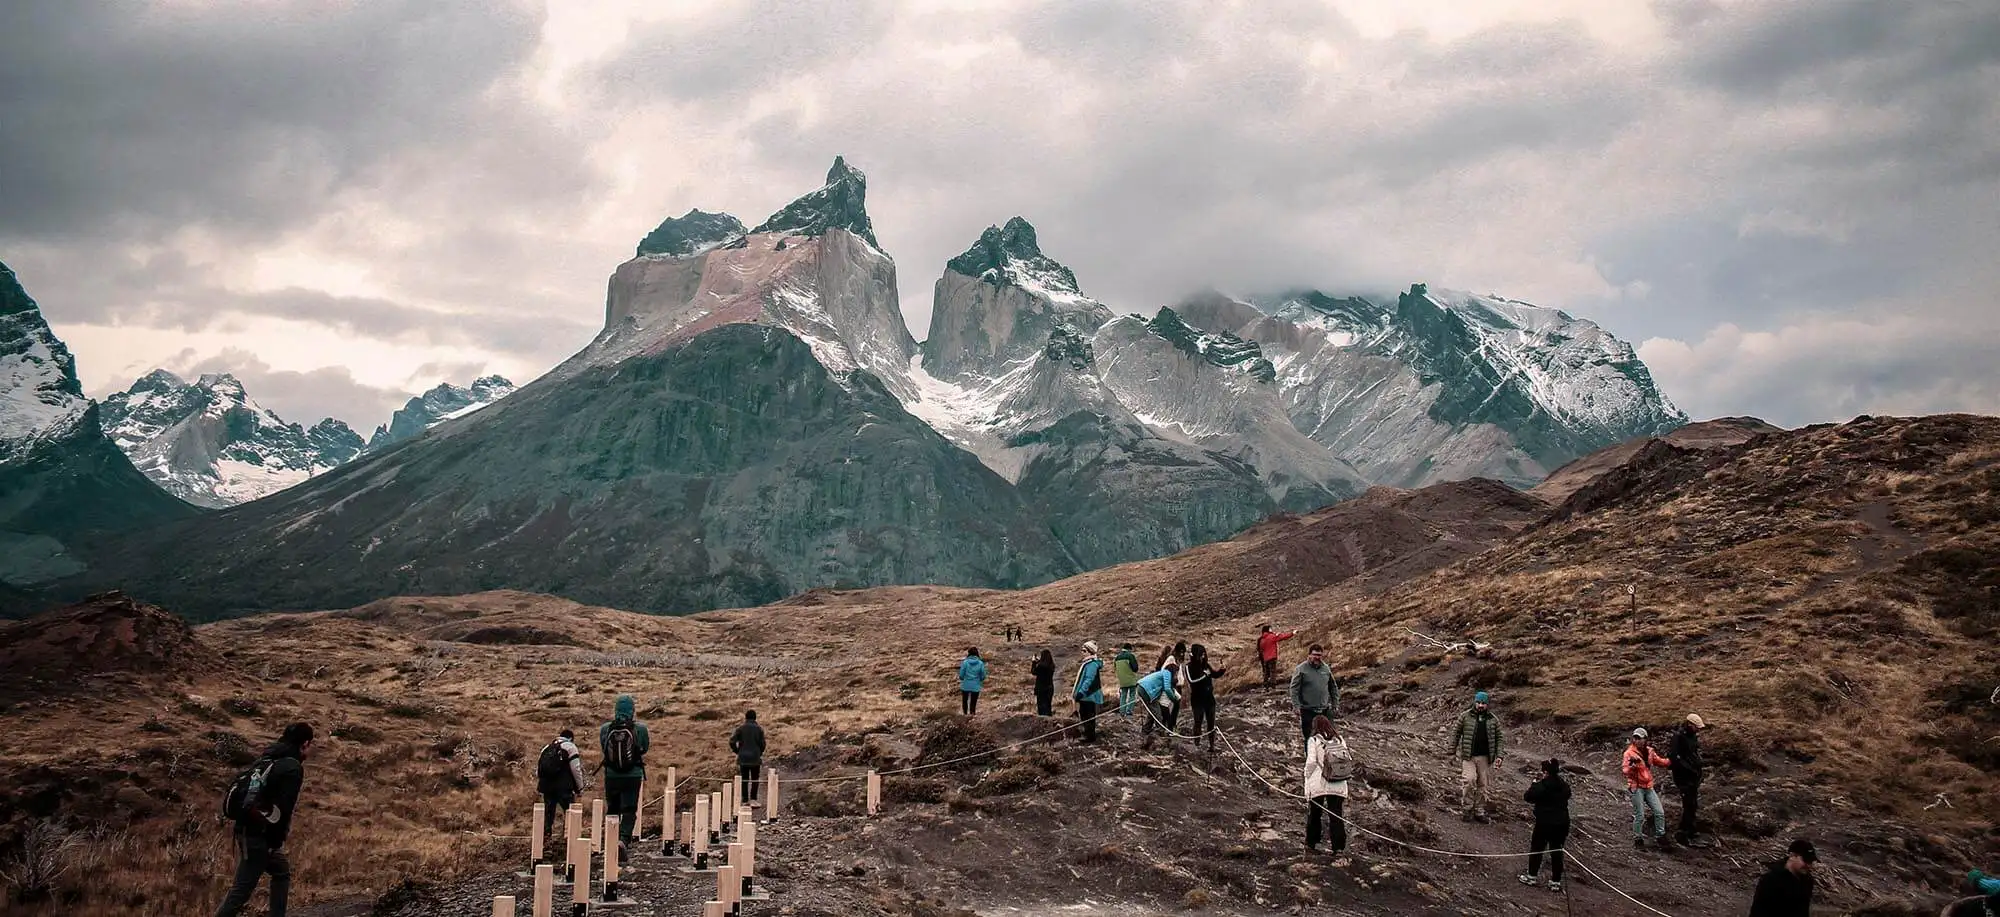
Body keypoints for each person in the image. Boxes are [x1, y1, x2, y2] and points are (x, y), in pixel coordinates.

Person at [214, 723, 314, 917]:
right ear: (305, 743)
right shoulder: (292, 768)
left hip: (247, 829)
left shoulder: (268, 758)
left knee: (281, 871)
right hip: (260, 836)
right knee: (241, 890)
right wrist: (274, 842)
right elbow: (283, 810)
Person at [599, 695, 651, 850]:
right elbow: (645, 748)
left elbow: (604, 748)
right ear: (632, 710)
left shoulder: (605, 728)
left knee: (613, 808)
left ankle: (610, 839)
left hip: (611, 775)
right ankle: (623, 839)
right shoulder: (640, 729)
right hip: (633, 775)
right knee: (629, 809)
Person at [1518, 757, 1572, 892]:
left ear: (1545, 772)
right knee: (1557, 851)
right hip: (1562, 823)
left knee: (1537, 848)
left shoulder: (1542, 785)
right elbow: (1567, 794)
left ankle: (1532, 876)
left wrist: (1534, 784)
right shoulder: (1564, 785)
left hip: (1545, 822)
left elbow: (1528, 797)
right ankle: (1555, 881)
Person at [1450, 691, 1502, 822]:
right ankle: (1467, 809)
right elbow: (1456, 733)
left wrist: (1500, 756)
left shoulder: (1493, 720)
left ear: (1487, 704)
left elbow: (1499, 739)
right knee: (1469, 780)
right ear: (1474, 702)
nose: (1480, 705)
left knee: (1483, 785)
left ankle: (1479, 811)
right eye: (1478, 702)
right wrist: (1451, 751)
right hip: (1468, 756)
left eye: (1483, 703)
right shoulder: (1465, 716)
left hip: (1485, 758)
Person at [1303, 715, 1351, 854]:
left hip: (1319, 782)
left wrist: (1306, 775)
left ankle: (1312, 844)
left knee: (1315, 814)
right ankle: (1338, 848)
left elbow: (1311, 761)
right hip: (1338, 781)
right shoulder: (1340, 739)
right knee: (1336, 815)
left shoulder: (1314, 740)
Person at [1623, 727, 1673, 848]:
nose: (1638, 740)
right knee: (1640, 815)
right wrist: (1631, 766)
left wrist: (1671, 761)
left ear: (1645, 739)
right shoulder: (1629, 753)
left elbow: (1659, 761)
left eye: (1640, 738)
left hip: (1648, 786)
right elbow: (1625, 770)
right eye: (1636, 738)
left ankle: (1661, 836)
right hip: (1636, 787)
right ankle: (1638, 839)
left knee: (1659, 812)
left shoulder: (1650, 752)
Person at [535, 728, 586, 847]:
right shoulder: (570, 747)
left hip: (547, 787)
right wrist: (580, 788)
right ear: (571, 738)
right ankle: (568, 839)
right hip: (564, 787)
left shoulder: (547, 748)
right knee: (569, 812)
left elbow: (540, 768)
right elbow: (576, 769)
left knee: (549, 813)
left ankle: (546, 838)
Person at [1748, 838, 1817, 916]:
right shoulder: (1771, 880)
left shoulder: (1807, 881)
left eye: (1810, 861)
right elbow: (1758, 912)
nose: (1808, 865)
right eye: (1805, 860)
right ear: (1792, 856)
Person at [1289, 644, 1338, 749]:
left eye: (1320, 655)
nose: (1317, 657)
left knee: (1330, 737)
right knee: (1310, 739)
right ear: (1309, 655)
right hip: (1308, 710)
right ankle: (1310, 761)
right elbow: (1294, 689)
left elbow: (1333, 687)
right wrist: (1296, 706)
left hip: (1325, 710)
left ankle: (1326, 761)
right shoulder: (1301, 669)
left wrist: (1335, 704)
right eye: (1315, 655)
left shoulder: (1326, 669)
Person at [1670, 713, 1707, 845]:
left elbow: (1693, 753)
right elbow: (1674, 758)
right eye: (1697, 727)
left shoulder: (1692, 737)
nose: (1698, 730)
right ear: (1690, 724)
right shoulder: (1678, 737)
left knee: (1693, 804)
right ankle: (1683, 832)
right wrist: (1689, 769)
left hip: (1693, 775)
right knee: (1688, 804)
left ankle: (1690, 829)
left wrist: (1697, 767)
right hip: (1683, 777)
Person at [1185, 644, 1227, 752]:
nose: (1203, 656)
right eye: (1201, 654)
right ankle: (1196, 744)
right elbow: (1191, 681)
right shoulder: (1188, 667)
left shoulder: (1206, 665)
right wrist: (1204, 675)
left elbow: (1214, 674)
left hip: (1209, 698)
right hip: (1197, 700)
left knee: (1211, 723)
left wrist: (1222, 670)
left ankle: (1212, 745)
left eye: (1204, 654)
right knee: (1197, 722)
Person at [1136, 663, 1180, 751]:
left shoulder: (1162, 673)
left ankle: (1145, 731)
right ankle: (1159, 734)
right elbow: (1167, 689)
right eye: (1176, 673)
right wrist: (1174, 699)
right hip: (1146, 690)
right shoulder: (1167, 673)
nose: (1176, 675)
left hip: (1142, 687)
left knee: (1152, 712)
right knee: (1157, 714)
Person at [729, 711, 767, 803]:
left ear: (746, 718)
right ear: (755, 718)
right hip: (755, 757)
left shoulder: (740, 728)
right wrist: (760, 752)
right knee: (755, 778)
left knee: (744, 779)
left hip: (743, 758)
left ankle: (745, 800)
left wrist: (737, 751)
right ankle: (753, 799)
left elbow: (732, 741)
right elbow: (763, 744)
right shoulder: (759, 729)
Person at [1073, 641, 1105, 744]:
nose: (1082, 652)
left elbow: (1088, 679)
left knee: (1088, 716)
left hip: (1089, 695)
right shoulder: (1087, 663)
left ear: (1090, 652)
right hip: (1087, 695)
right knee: (1085, 715)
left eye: (1084, 650)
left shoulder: (1091, 665)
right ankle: (1088, 734)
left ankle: (1090, 736)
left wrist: (1081, 693)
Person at [1113, 644, 1141, 717]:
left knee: (1123, 695)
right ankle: (1129, 712)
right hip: (1131, 679)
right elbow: (1135, 668)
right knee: (1132, 694)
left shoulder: (1117, 657)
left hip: (1122, 680)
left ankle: (1122, 712)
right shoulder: (1130, 656)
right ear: (1129, 649)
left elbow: (1115, 668)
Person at [958, 648, 988, 715]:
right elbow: (983, 676)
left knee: (964, 701)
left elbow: (961, 675)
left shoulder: (965, 662)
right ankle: (972, 715)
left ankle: (965, 715)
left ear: (969, 654)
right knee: (973, 703)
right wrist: (978, 680)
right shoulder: (980, 663)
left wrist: (964, 679)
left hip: (965, 685)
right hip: (976, 686)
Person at [1032, 649, 1057, 717]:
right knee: (1048, 707)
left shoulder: (1041, 666)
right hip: (1050, 688)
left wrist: (1034, 662)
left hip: (1041, 689)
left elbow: (1033, 671)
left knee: (1041, 708)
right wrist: (1039, 661)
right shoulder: (1052, 665)